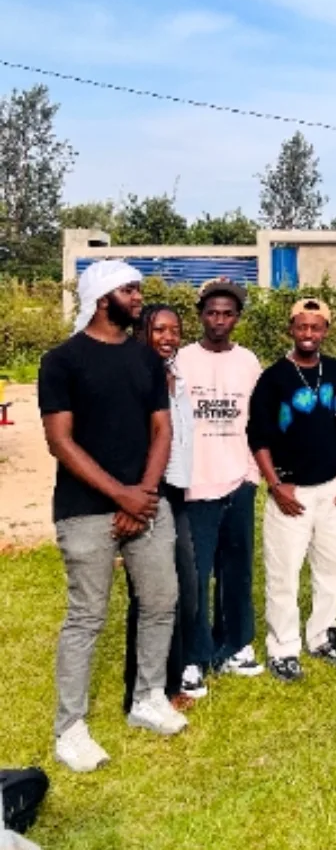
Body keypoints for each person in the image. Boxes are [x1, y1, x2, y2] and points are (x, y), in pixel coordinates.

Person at [39, 260, 185, 773]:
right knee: (87, 617)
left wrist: (142, 494)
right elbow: (61, 442)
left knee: (161, 601)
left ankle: (148, 698)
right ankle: (70, 729)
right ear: (104, 299)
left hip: (146, 503)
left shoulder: (145, 359)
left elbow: (162, 430)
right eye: (130, 290)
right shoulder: (62, 361)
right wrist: (121, 497)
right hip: (84, 512)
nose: (139, 298)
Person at [248, 298, 336, 683]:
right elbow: (258, 437)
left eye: (316, 327)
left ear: (326, 331)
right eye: (302, 326)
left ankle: (322, 636)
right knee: (284, 575)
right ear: (291, 329)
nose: (309, 333)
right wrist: (276, 484)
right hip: (290, 493)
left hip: (332, 488)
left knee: (332, 568)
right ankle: (283, 647)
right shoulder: (273, 377)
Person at [175, 277, 264, 688]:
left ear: (237, 318)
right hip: (195, 486)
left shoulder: (248, 362)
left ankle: (235, 645)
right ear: (201, 316)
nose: (219, 320)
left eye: (227, 314)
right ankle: (194, 656)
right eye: (212, 313)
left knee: (237, 571)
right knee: (194, 576)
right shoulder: (180, 360)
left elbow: (257, 422)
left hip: (238, 483)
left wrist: (251, 475)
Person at [122, 304, 199, 712]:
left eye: (175, 330)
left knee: (180, 589)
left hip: (175, 490)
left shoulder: (175, 375)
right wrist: (135, 496)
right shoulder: (133, 377)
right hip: (146, 493)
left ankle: (170, 679)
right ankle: (141, 691)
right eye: (159, 330)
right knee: (149, 595)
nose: (169, 337)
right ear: (142, 332)